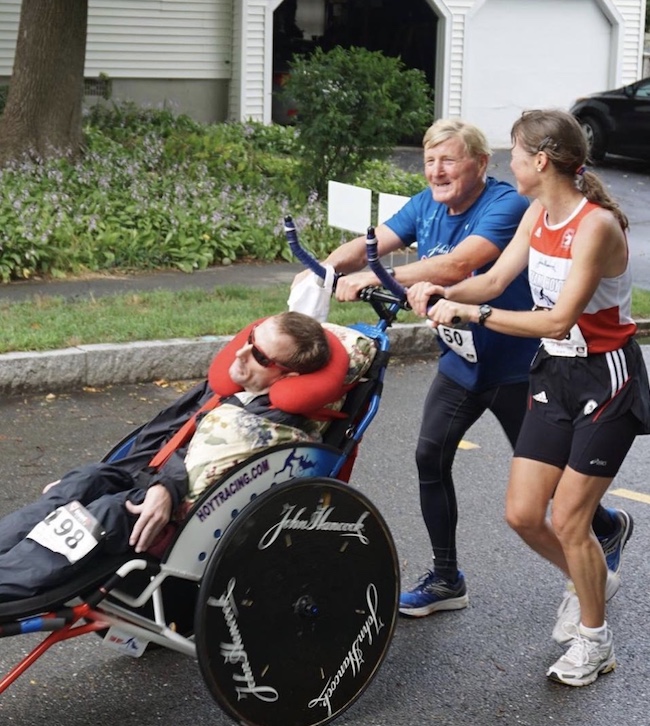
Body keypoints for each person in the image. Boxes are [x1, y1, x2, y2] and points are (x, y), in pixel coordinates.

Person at [293, 117, 632, 618]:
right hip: (462, 363)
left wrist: (434, 290)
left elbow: (461, 267)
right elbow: (396, 248)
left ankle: (604, 534)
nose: (436, 169)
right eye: (429, 159)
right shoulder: (436, 203)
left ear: (480, 163)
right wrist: (323, 270)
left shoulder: (509, 204)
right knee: (431, 457)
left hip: (521, 366)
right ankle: (447, 578)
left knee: (556, 498)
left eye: (448, 159)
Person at [418, 109, 650, 686]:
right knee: (524, 514)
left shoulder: (593, 225)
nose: (508, 164)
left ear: (540, 161)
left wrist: (471, 311)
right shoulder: (536, 213)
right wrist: (439, 290)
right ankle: (589, 574)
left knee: (570, 519)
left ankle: (594, 641)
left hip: (605, 377)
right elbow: (494, 281)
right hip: (555, 375)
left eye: (514, 154)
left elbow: (558, 318)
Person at [0, 312, 331, 601]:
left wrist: (164, 487)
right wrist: (89, 482)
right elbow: (157, 442)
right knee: (84, 482)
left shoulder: (269, 426)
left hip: (179, 514)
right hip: (142, 476)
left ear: (289, 377)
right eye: (249, 339)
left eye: (260, 355)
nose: (241, 353)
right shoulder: (223, 388)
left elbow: (200, 467)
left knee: (105, 512)